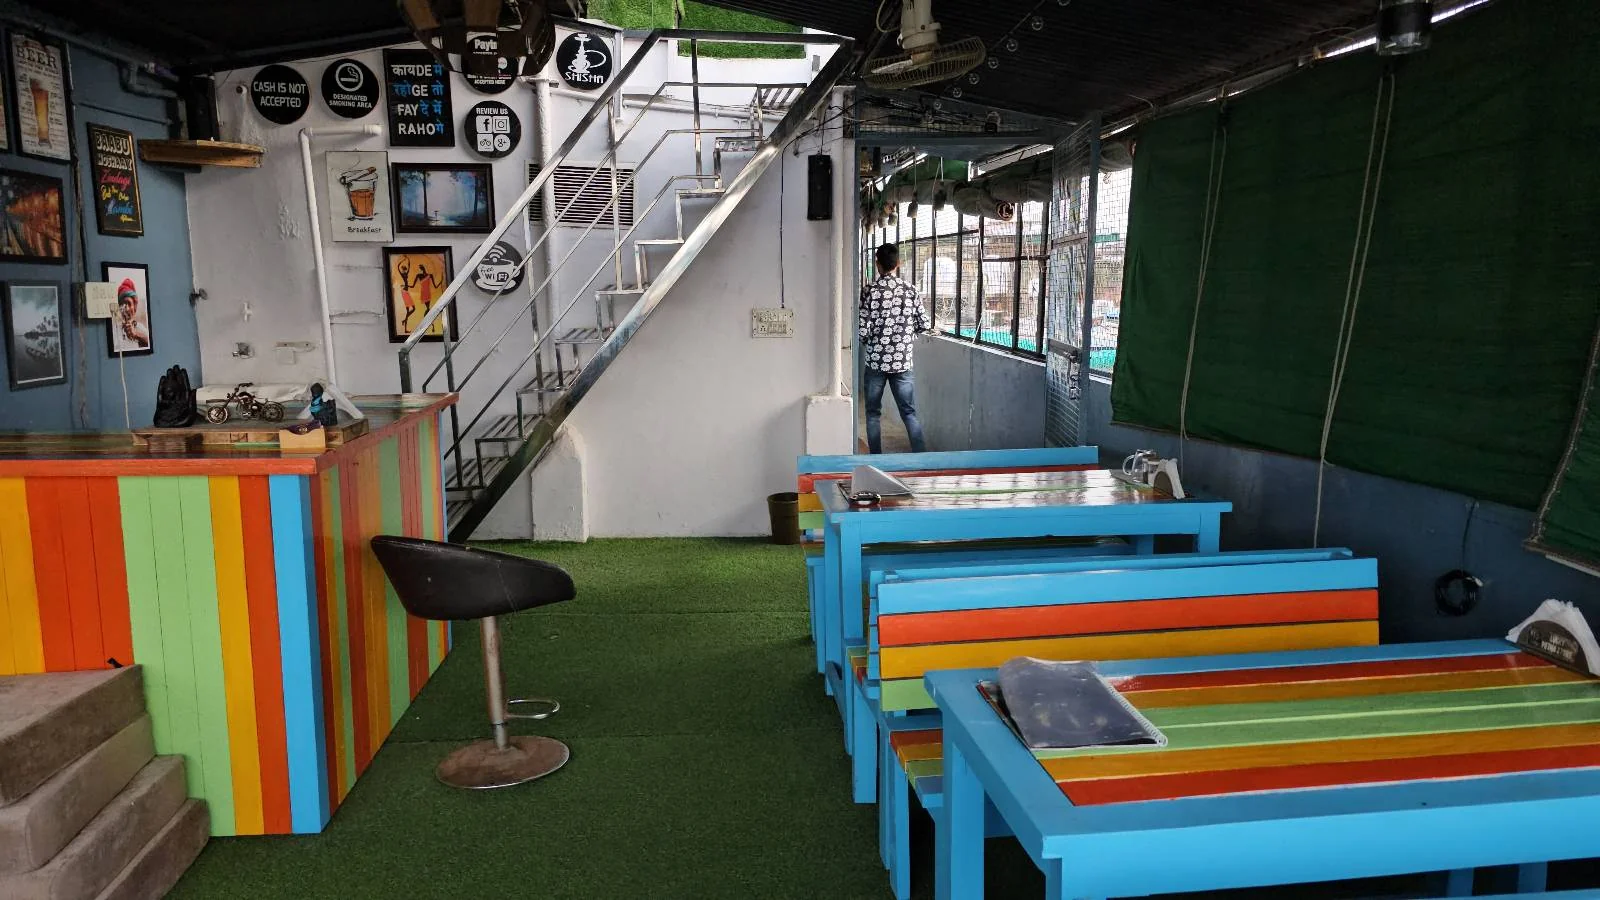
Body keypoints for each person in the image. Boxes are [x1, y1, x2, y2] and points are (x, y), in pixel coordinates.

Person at [859, 242, 932, 453]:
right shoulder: (910, 290)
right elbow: (923, 324)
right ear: (898, 264)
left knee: (873, 413)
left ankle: (876, 460)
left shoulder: (869, 291)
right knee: (908, 412)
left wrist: (873, 343)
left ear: (877, 264)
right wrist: (905, 340)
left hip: (875, 362)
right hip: (902, 362)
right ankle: (921, 459)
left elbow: (863, 330)